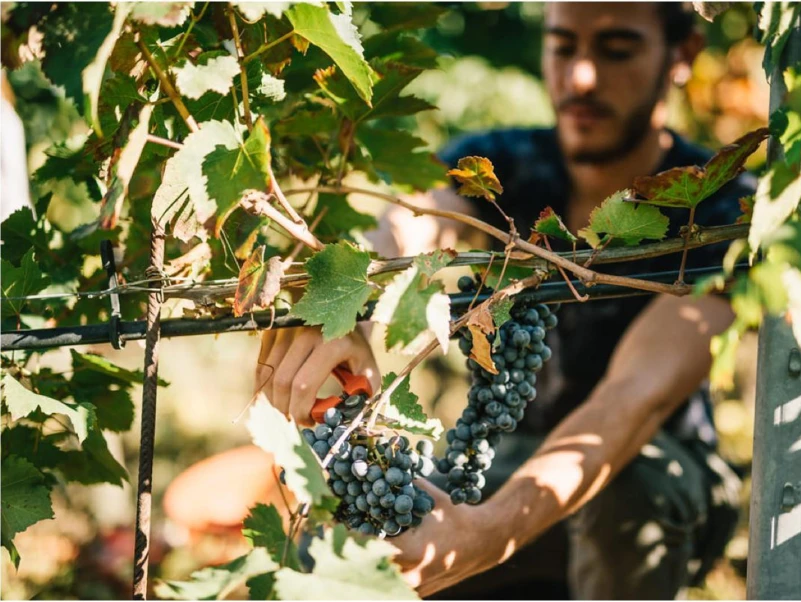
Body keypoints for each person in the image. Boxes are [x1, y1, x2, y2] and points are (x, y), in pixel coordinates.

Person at [255, 2, 753, 598]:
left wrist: (490, 532)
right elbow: (408, 225)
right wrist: (340, 296)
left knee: (630, 495)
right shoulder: (503, 163)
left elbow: (634, 400)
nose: (582, 77)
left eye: (617, 49)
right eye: (563, 46)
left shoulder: (722, 209)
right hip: (509, 459)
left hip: (659, 475)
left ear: (683, 55)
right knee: (344, 542)